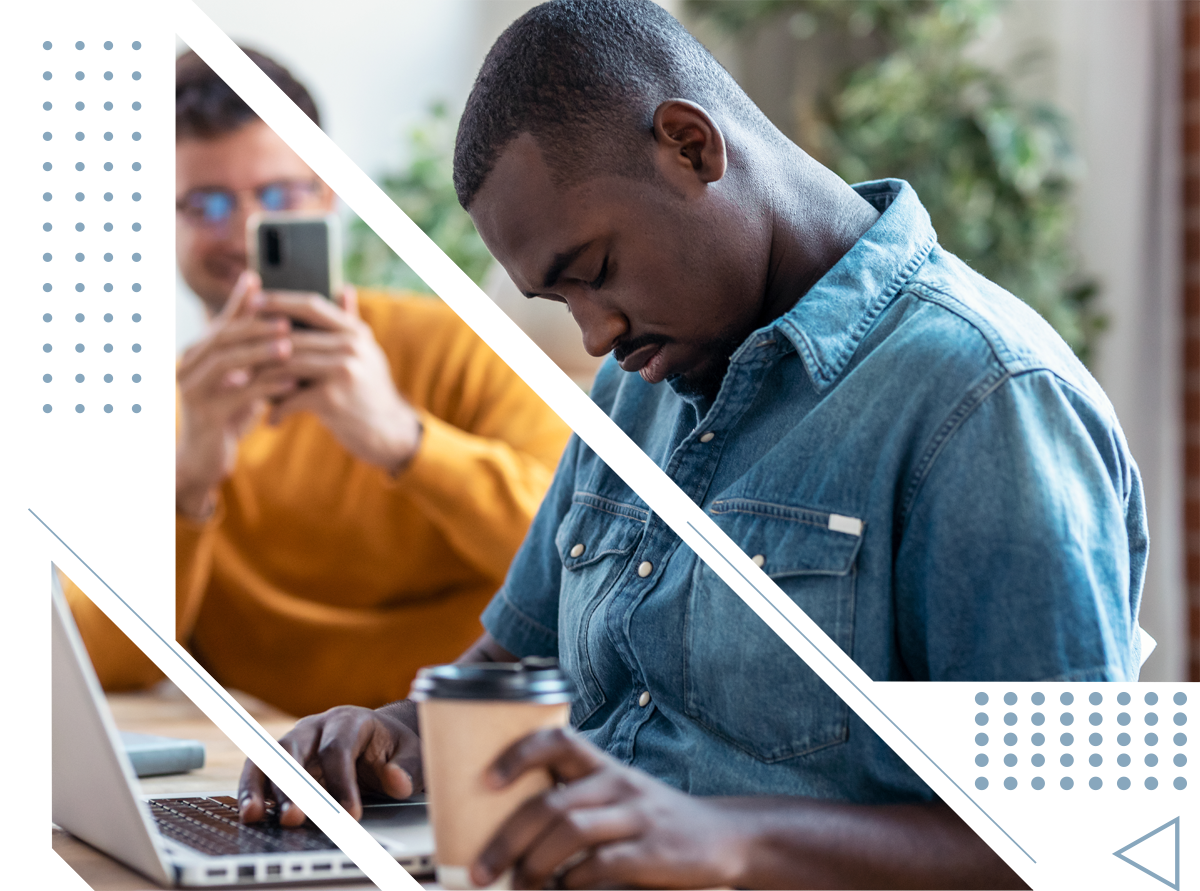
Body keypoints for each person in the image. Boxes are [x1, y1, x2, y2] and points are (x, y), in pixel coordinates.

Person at [238, 2, 1146, 888]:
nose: (595, 333)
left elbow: (1080, 843)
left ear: (690, 145)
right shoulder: (640, 384)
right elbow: (509, 672)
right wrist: (390, 733)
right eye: (560, 303)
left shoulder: (987, 397)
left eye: (591, 272)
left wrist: (729, 840)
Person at [59, 48, 572, 717]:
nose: (245, 232)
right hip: (283, 770)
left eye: (276, 197)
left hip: (475, 746)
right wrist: (188, 485)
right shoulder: (157, 409)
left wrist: (404, 440)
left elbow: (583, 562)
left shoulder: (456, 347)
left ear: (326, 192)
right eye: (206, 203)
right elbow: (104, 661)